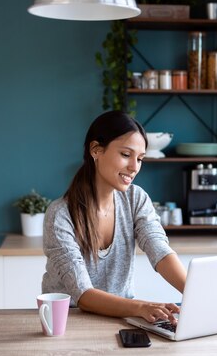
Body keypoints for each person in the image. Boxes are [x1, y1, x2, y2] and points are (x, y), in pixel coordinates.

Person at [42, 110, 187, 324]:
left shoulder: (135, 199)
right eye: (126, 155)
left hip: (122, 319)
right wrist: (142, 307)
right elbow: (83, 294)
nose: (134, 167)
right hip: (69, 323)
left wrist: (197, 294)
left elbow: (160, 250)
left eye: (140, 158)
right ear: (96, 150)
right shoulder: (61, 214)